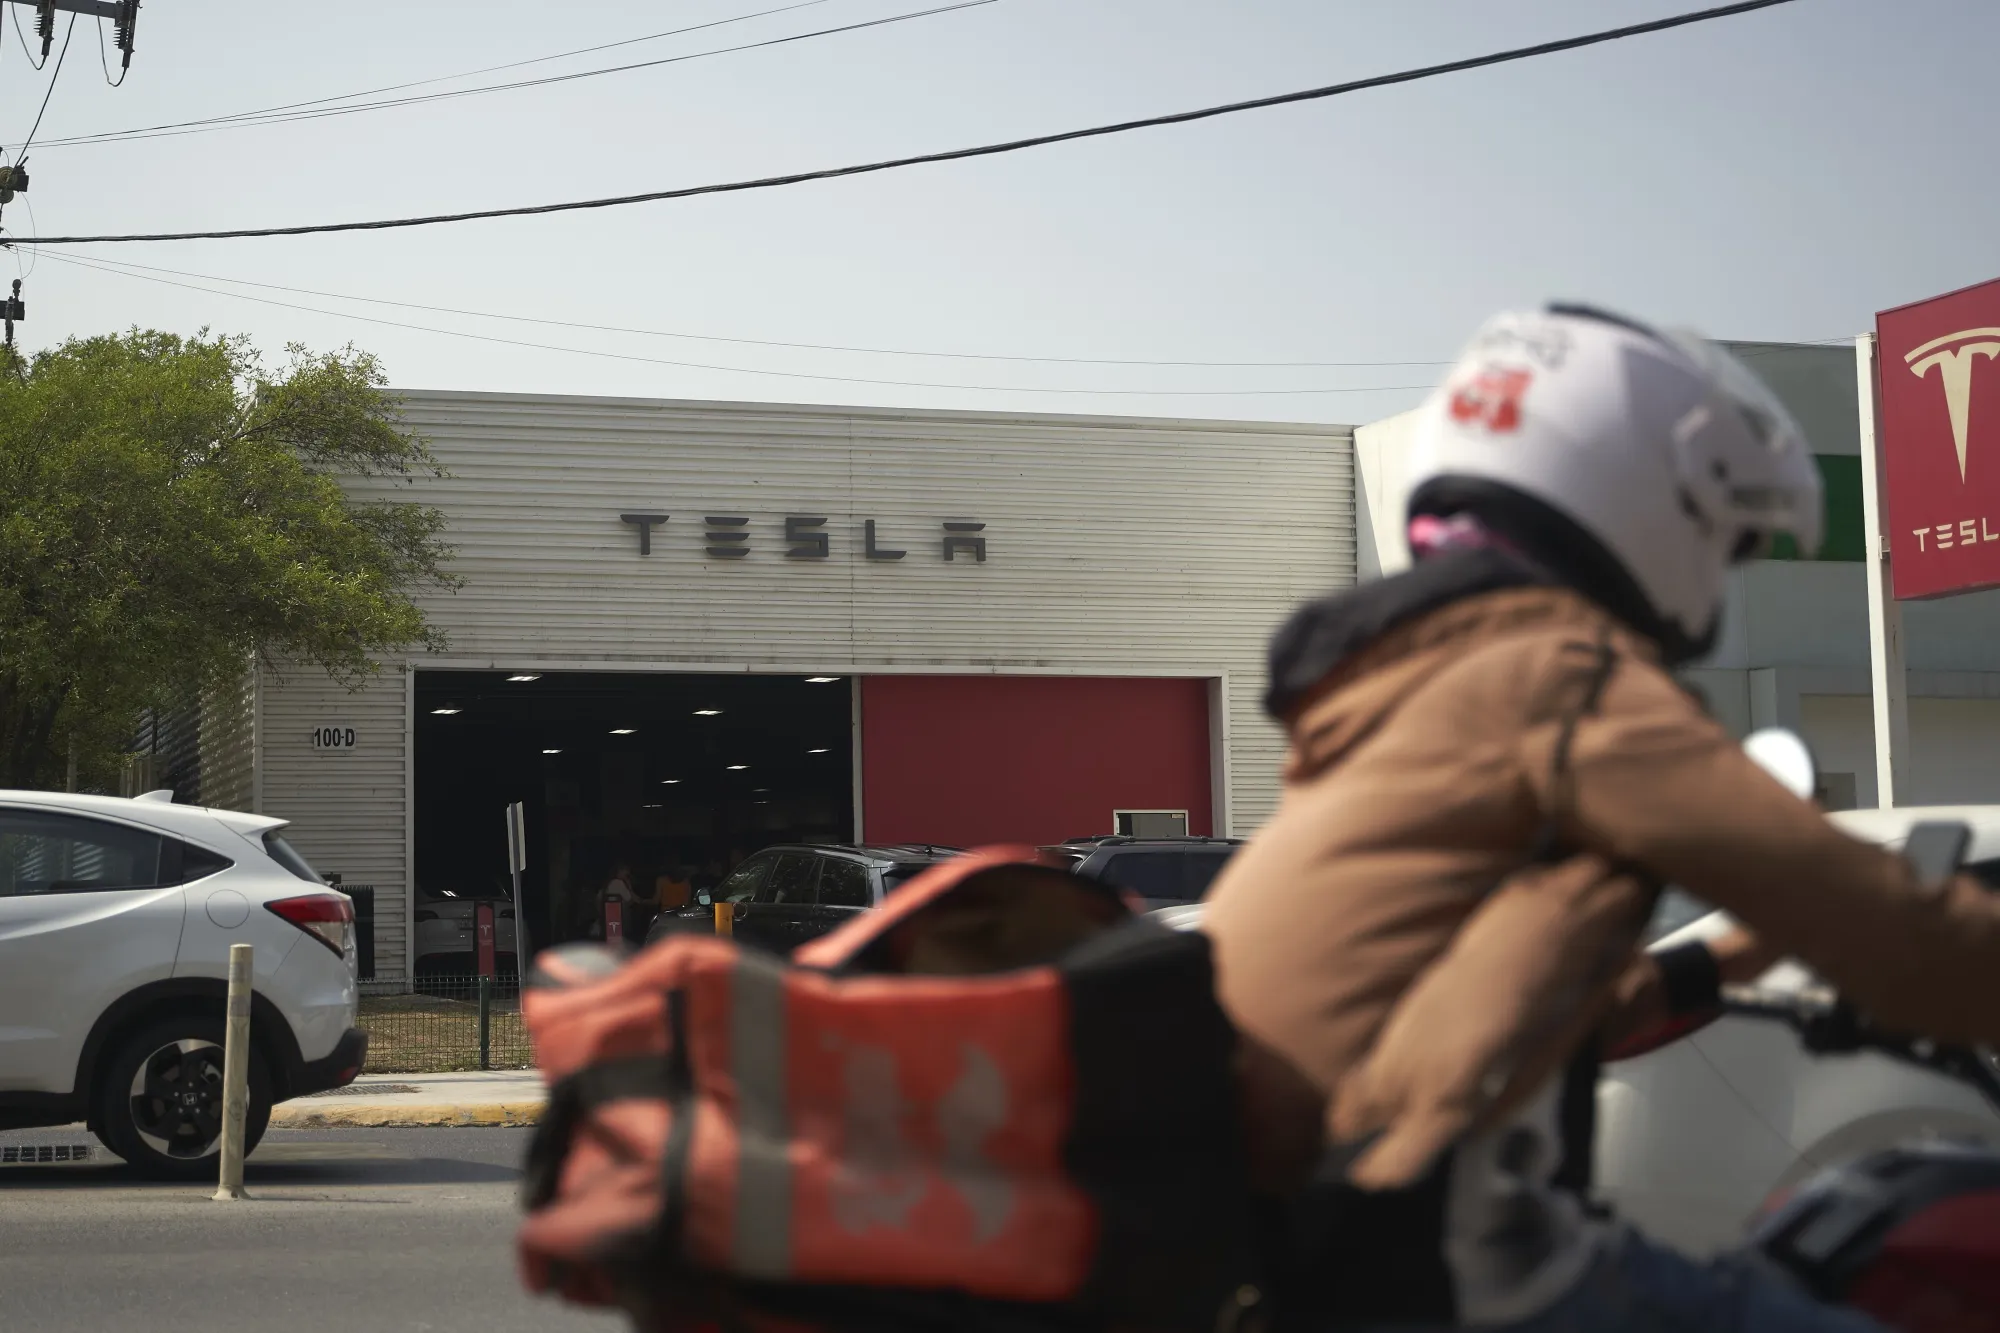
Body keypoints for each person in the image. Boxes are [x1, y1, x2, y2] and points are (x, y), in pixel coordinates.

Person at [1201, 303, 2000, 1331]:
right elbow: (1900, 940)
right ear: (1633, 499)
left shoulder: (1398, 697)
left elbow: (1460, 998)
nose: (1714, 576)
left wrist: (1704, 967)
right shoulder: (1560, 678)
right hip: (1455, 1281)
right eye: (1717, 537)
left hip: (1320, 1252)